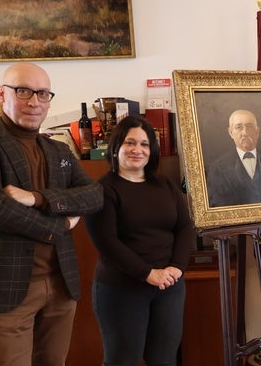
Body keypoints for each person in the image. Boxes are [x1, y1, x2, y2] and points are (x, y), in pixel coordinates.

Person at [0, 63, 104, 365]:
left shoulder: (59, 150)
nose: (34, 101)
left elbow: (94, 195)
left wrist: (38, 198)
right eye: (23, 91)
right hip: (5, 289)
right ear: (2, 94)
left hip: (60, 285)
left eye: (42, 93)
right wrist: (61, 224)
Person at [84, 115, 194, 366]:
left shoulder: (165, 185)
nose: (138, 150)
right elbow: (107, 243)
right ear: (116, 148)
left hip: (169, 287)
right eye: (130, 143)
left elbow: (185, 226)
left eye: (144, 144)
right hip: (122, 289)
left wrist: (176, 267)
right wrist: (147, 273)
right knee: (123, 361)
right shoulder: (103, 189)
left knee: (164, 360)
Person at [206, 109, 261, 206]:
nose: (245, 132)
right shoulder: (217, 169)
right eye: (239, 127)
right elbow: (217, 208)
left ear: (257, 132)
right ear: (230, 132)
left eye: (249, 127)